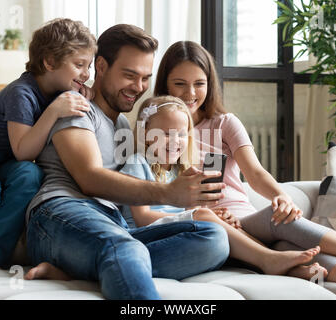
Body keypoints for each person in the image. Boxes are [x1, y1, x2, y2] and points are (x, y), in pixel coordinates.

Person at [153, 40, 336, 300]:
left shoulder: (223, 124)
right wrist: (210, 217)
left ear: (210, 84)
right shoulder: (160, 134)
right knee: (287, 248)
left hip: (246, 220)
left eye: (199, 83)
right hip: (211, 230)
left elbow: (255, 174)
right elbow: (163, 196)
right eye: (180, 83)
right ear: (165, 83)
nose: (190, 93)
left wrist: (281, 197)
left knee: (278, 219)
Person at [24, 24, 230, 300]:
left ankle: (76, 269)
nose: (139, 87)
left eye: (145, 77)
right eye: (130, 75)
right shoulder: (76, 105)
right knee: (126, 248)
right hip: (61, 214)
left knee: (213, 238)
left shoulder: (122, 123)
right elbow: (89, 179)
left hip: (114, 224)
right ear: (101, 65)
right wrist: (170, 192)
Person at [0, 18, 95, 270]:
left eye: (88, 66)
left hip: (7, 165)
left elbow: (25, 162)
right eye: (79, 65)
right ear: (49, 62)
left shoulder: (60, 93)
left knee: (31, 174)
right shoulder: (21, 92)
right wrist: (53, 112)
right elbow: (24, 151)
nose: (86, 74)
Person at [119, 95, 323, 277]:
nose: (174, 140)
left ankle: (282, 265)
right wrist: (198, 216)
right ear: (145, 133)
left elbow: (187, 212)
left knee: (222, 229)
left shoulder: (180, 171)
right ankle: (269, 259)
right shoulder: (138, 163)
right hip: (144, 235)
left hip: (175, 233)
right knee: (205, 217)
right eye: (165, 133)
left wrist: (217, 218)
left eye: (181, 134)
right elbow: (142, 217)